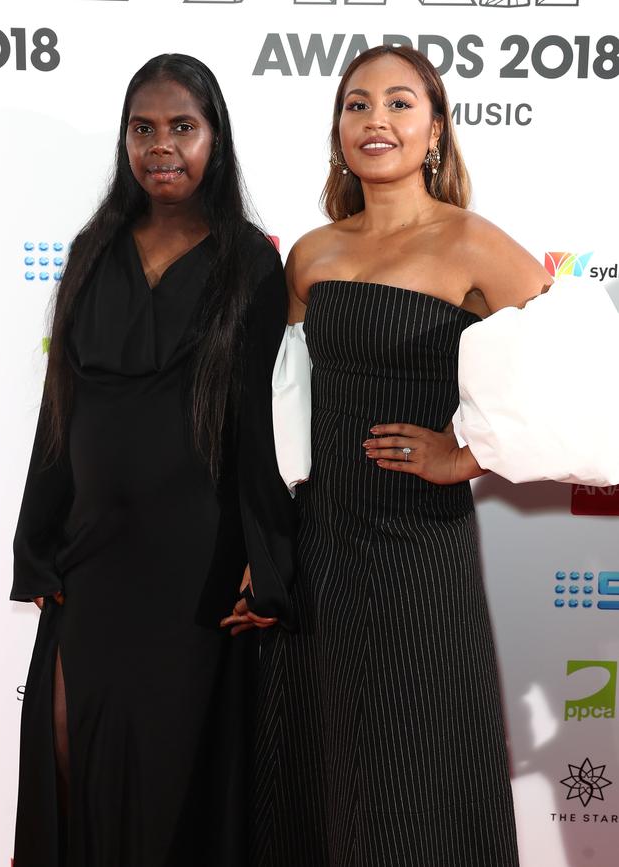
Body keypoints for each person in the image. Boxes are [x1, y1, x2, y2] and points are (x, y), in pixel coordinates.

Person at [230, 45, 552, 866]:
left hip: (419, 551)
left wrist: (471, 452)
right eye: (357, 104)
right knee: (324, 769)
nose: (377, 121)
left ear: (436, 129)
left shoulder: (476, 245)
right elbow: (281, 412)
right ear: (338, 127)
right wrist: (264, 548)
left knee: (412, 773)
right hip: (322, 546)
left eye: (400, 104)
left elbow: (574, 372)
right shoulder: (311, 254)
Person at [11, 53, 295, 867]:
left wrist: (263, 559)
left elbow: (260, 429)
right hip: (93, 552)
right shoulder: (92, 251)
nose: (160, 146)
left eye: (181, 127)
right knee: (69, 751)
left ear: (215, 138)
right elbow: (59, 407)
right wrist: (37, 538)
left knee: (178, 778)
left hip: (197, 558)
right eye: (143, 128)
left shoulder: (249, 260)